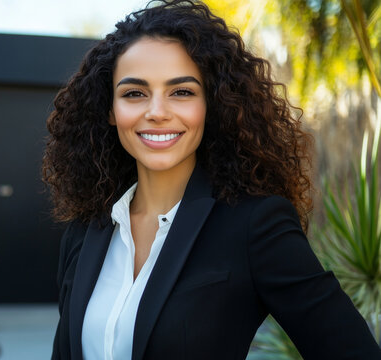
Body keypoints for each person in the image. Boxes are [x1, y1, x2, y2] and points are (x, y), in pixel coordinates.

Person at [41, 0, 381, 359]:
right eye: (134, 93)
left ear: (211, 105)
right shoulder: (85, 230)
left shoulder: (254, 225)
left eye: (182, 92)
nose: (156, 112)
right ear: (110, 110)